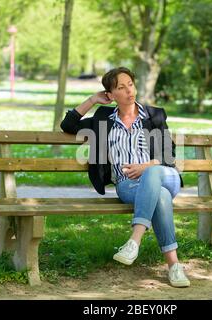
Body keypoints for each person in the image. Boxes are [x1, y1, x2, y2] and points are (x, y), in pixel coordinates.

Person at [60, 67, 190, 287]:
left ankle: (134, 241)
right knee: (160, 197)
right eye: (121, 87)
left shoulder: (154, 115)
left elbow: (169, 155)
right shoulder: (103, 119)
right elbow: (68, 126)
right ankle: (175, 267)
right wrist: (92, 100)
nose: (129, 90)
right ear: (110, 95)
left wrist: (146, 166)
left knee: (153, 173)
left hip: (164, 174)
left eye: (130, 84)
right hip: (128, 185)